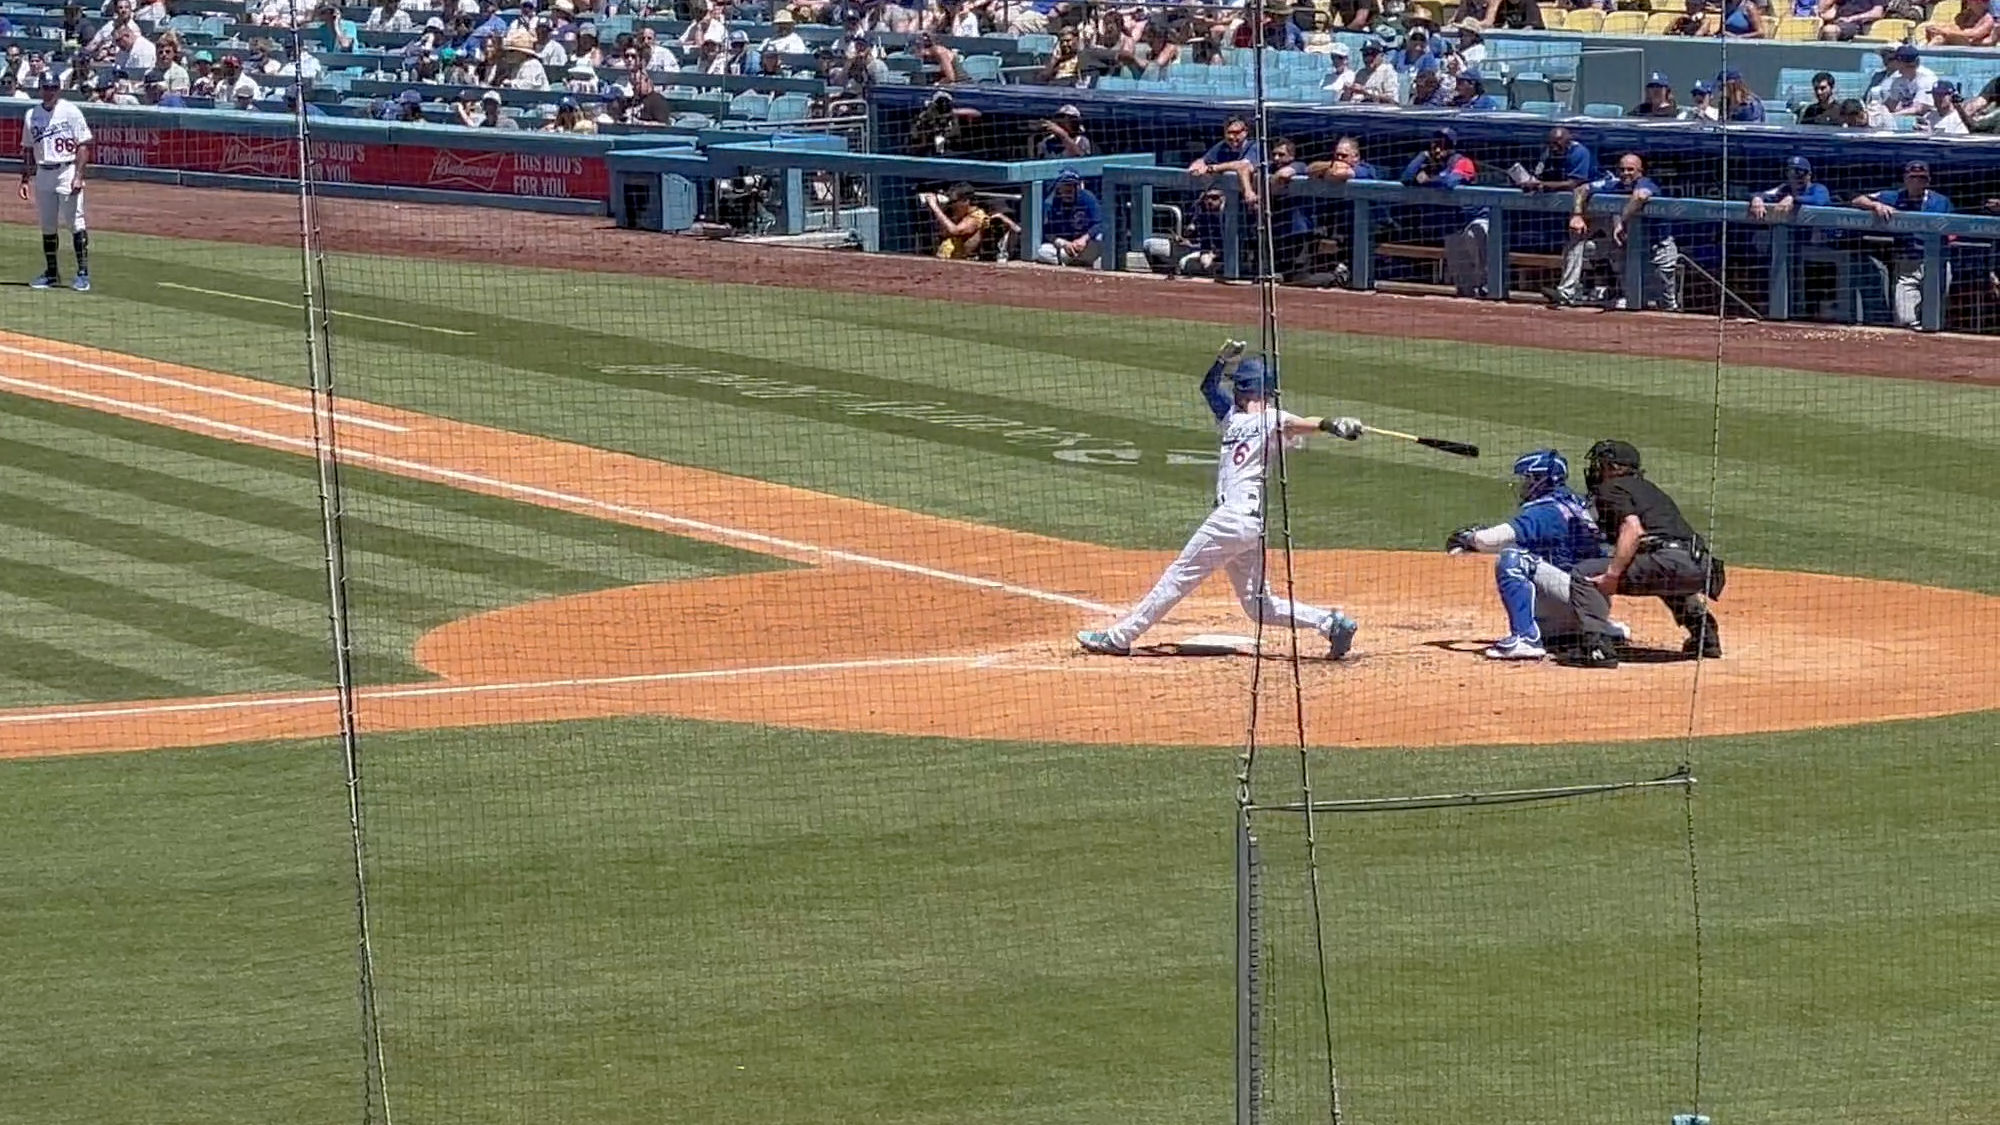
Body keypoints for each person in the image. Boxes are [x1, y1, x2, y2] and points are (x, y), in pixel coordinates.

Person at [1077, 342, 1362, 658]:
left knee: (1178, 576)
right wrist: (1220, 361)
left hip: (1232, 519)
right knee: (1259, 605)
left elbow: (1299, 424)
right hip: (1250, 524)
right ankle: (1331, 623)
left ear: (1243, 389)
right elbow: (1208, 388)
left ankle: (1118, 638)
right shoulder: (1231, 418)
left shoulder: (1271, 418)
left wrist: (1330, 424)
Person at [1562, 440, 1724, 669]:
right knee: (1666, 577)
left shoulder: (1611, 488)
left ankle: (1596, 647)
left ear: (1615, 468)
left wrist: (1612, 575)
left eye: (1601, 464)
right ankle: (1705, 637)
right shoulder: (1649, 489)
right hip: (1702, 568)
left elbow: (1633, 529)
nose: (1597, 470)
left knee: (1583, 574)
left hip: (1668, 561)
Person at [1445, 450, 1611, 660]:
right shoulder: (1576, 504)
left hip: (1570, 602)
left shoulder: (1546, 510)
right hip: (1594, 605)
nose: (1523, 485)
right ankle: (1600, 629)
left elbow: (1489, 540)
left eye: (1527, 479)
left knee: (1513, 558)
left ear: (1540, 480)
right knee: (1533, 555)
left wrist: (1468, 538)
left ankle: (1525, 639)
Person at [1546, 152, 1676, 311]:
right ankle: (1570, 293)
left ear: (1640, 171)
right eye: (1622, 169)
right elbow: (1582, 188)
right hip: (1628, 249)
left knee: (1666, 302)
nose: (1625, 173)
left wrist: (1622, 221)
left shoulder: (1646, 183)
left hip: (1657, 248)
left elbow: (1640, 197)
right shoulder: (1614, 184)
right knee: (1634, 300)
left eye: (1630, 169)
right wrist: (1577, 215)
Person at [1851, 161, 1953, 330]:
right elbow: (1857, 199)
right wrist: (1877, 205)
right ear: (1905, 179)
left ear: (1928, 181)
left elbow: (1953, 232)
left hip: (1936, 264)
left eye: (1922, 178)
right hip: (1907, 265)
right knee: (1905, 320)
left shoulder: (1940, 201)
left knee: (1934, 321)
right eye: (1913, 177)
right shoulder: (1894, 196)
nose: (1917, 182)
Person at [19, 71, 91, 291]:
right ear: (39, 89)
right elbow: (28, 149)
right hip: (43, 173)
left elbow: (83, 145)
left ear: (58, 89)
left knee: (75, 222)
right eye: (45, 87)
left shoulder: (70, 111)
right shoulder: (31, 115)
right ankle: (51, 273)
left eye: (53, 87)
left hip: (67, 170)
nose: (49, 91)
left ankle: (82, 274)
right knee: (48, 225)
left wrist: (78, 176)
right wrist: (25, 179)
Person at [1402, 127, 1484, 298]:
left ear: (1452, 146)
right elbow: (1406, 178)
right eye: (1435, 144)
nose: (1438, 149)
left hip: (1476, 220)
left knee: (1475, 244)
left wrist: (1426, 180)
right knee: (1462, 280)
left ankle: (1490, 289)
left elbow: (1449, 182)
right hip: (1453, 224)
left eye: (1443, 144)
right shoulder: (1430, 162)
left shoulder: (1462, 161)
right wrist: (1423, 155)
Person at [1189, 116, 1263, 209]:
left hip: (1253, 198)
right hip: (1226, 197)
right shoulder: (1222, 146)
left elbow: (1243, 165)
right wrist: (1196, 167)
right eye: (1229, 133)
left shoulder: (1254, 146)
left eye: (1236, 133)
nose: (1231, 137)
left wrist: (1212, 168)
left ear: (1245, 132)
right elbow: (1203, 160)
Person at [1035, 168, 1102, 266]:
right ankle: (1074, 261)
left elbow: (1099, 223)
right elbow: (1047, 233)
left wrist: (1084, 239)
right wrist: (1064, 244)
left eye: (1072, 185)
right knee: (1042, 251)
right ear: (1058, 187)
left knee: (1101, 238)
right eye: (1065, 185)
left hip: (1086, 245)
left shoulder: (1087, 198)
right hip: (1065, 248)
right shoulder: (1051, 203)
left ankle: (1080, 260)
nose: (1069, 188)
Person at [1867, 45, 1937, 118]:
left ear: (1913, 65)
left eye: (1902, 67)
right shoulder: (1898, 78)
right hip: (1904, 118)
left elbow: (1919, 108)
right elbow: (1890, 105)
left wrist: (1892, 115)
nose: (1899, 71)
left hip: (1926, 119)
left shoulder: (1927, 78)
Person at [923, 181, 988, 259]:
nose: (952, 206)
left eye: (953, 202)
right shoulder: (957, 215)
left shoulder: (977, 216)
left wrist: (935, 207)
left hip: (963, 264)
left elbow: (955, 231)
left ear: (965, 201)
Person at [1522, 126, 1594, 194]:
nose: (1554, 148)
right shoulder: (1548, 152)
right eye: (1551, 144)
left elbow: (1573, 184)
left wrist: (1542, 184)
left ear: (1567, 142)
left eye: (1557, 144)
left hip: (1584, 191)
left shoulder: (1579, 152)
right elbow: (1539, 172)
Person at [1343, 38, 1399, 104]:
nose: (1368, 58)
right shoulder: (1360, 73)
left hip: (1378, 112)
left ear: (1381, 55)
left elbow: (1392, 100)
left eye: (1372, 53)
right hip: (1357, 110)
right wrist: (1348, 91)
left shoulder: (1388, 71)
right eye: (1365, 54)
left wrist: (1365, 92)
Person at [1921, 0, 1995, 45]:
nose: (1967, 3)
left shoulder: (1988, 19)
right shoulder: (1968, 14)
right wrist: (1938, 28)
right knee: (1936, 32)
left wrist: (1946, 31)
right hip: (1964, 43)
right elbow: (1955, 26)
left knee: (1943, 37)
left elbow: (1974, 35)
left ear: (1978, 2)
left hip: (1975, 47)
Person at [1818, 0, 1882, 39]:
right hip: (1838, 21)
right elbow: (1822, 10)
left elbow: (1877, 13)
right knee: (1816, 29)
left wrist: (1851, 18)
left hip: (1859, 24)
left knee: (1829, 30)